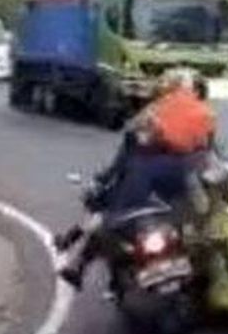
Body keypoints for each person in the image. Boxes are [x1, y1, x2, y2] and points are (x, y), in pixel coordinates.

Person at [56, 68, 216, 289]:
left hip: (144, 188)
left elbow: (122, 160)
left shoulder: (150, 116)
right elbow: (208, 156)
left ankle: (78, 266)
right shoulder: (206, 116)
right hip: (184, 189)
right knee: (206, 228)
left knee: (105, 220)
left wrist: (102, 182)